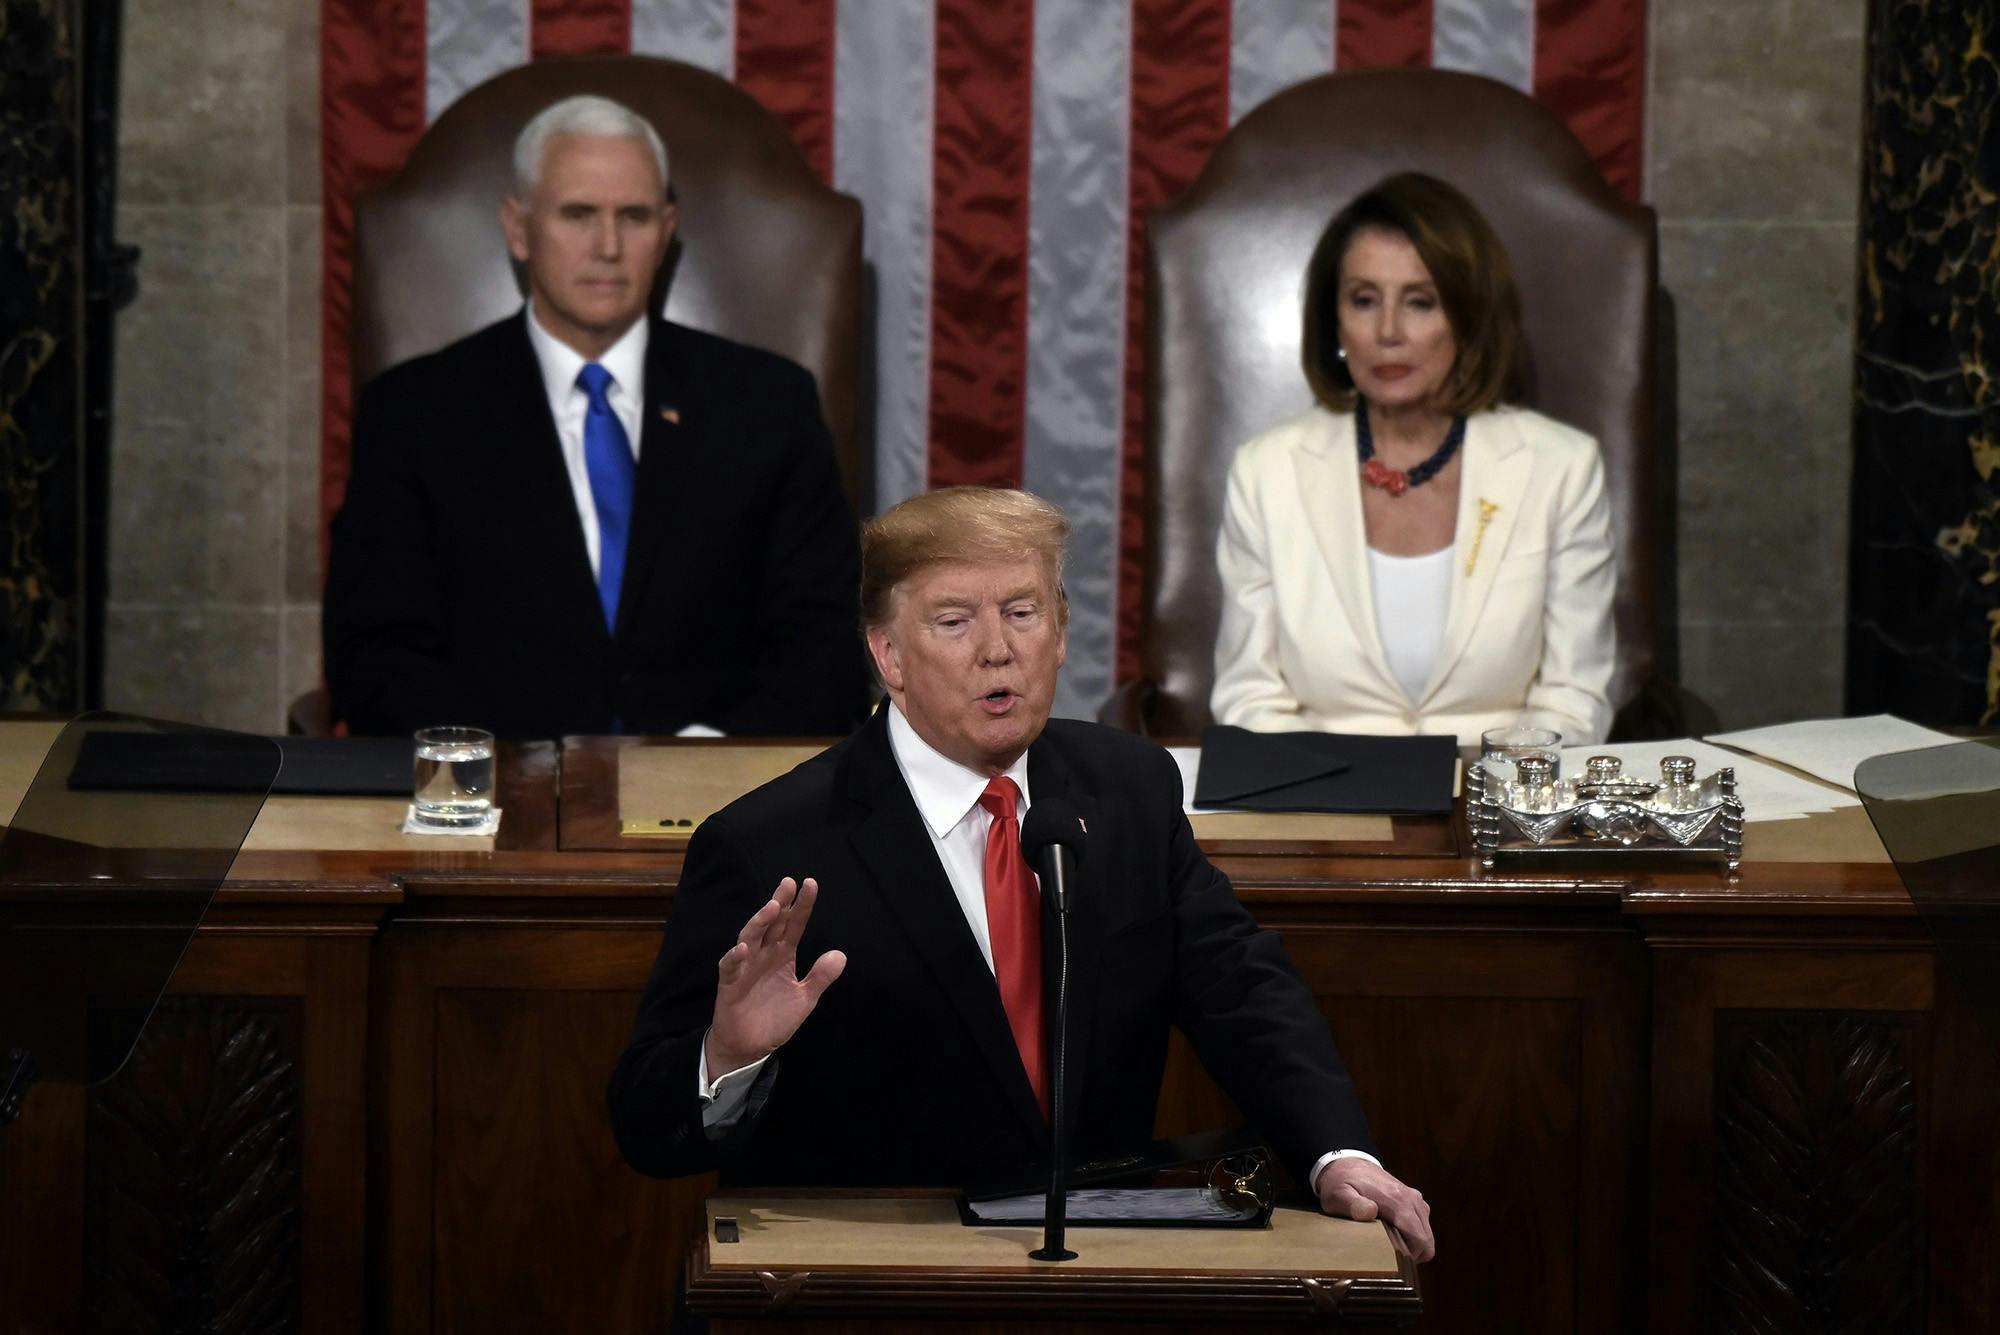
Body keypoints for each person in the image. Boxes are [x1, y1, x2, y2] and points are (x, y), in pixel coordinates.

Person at [607, 486, 1435, 1262]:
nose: (997, 649)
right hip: (877, 1280)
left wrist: (1336, 1152)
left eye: (1022, 612)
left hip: (1096, 1271)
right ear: (888, 654)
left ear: (1061, 632)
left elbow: (1240, 988)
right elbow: (645, 1127)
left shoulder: (1130, 789)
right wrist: (728, 1054)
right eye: (954, 621)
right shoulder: (767, 845)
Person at [323, 95, 865, 739]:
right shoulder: (415, 413)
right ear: (518, 229)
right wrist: (509, 768)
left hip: (724, 788)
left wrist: (706, 762)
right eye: (578, 214)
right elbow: (374, 651)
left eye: (633, 217)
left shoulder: (768, 405)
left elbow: (824, 642)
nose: (608, 247)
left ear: (665, 233)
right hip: (494, 786)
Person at [1211, 172, 1616, 747]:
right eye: (1364, 300)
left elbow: (1574, 701)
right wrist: (1351, 784)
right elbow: (1249, 697)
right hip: (1322, 793)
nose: (1388, 332)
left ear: (1468, 319)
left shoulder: (1561, 468)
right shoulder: (1265, 472)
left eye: (1420, 302)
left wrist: (1466, 784)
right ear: (1335, 321)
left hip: (1497, 790)